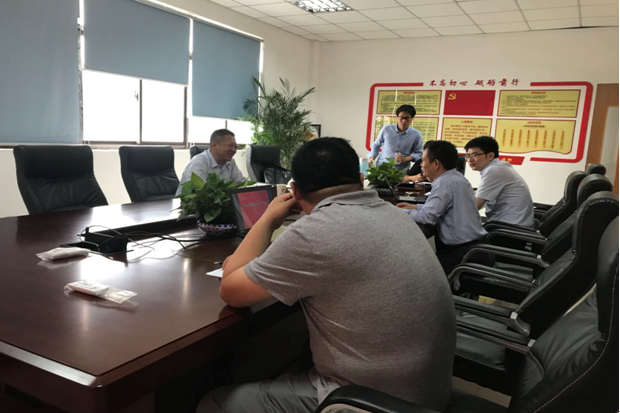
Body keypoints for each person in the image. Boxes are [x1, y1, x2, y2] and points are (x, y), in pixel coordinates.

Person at [197, 138, 456, 413]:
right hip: (429, 390)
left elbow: (231, 291)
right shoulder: (397, 215)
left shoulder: (314, 233)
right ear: (360, 180)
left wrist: (267, 219)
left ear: (295, 191)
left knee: (215, 403)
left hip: (376, 402)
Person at [397, 140, 487, 274]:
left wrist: (399, 212)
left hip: (463, 257)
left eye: (423, 160)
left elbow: (427, 218)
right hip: (477, 249)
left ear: (436, 163)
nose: (421, 165)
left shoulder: (443, 183)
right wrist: (415, 207)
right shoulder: (458, 178)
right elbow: (443, 206)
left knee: (411, 270)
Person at [464, 136, 534, 227]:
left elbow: (473, 207)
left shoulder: (493, 171)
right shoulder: (499, 167)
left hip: (508, 228)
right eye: (468, 155)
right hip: (514, 224)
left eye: (475, 155)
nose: (470, 160)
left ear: (490, 156)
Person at [176, 129, 245, 195]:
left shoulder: (230, 162)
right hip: (192, 203)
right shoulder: (199, 162)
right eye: (230, 145)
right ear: (214, 145)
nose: (233, 150)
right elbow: (199, 193)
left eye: (235, 147)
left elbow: (241, 183)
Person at [368, 104, 423, 171]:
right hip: (382, 168)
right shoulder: (386, 129)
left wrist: (406, 159)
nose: (404, 121)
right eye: (401, 118)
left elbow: (419, 153)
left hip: (401, 171)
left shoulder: (416, 134)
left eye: (407, 118)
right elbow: (376, 144)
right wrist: (372, 158)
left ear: (412, 118)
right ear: (397, 117)